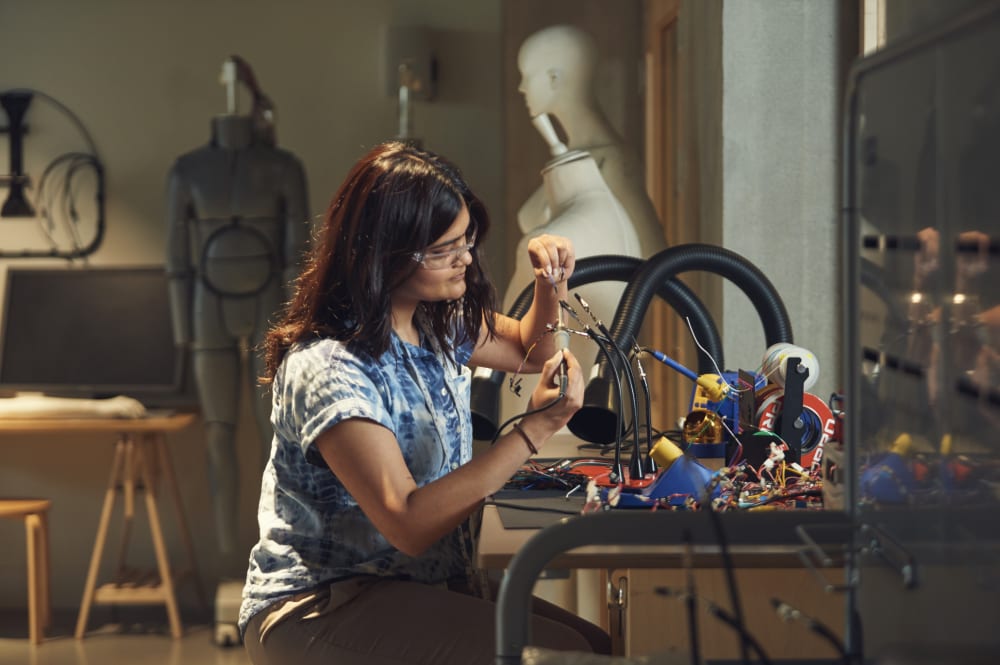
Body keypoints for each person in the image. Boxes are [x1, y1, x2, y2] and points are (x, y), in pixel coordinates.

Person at [239, 140, 611, 664]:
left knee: (596, 646)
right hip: (324, 602)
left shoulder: (435, 322)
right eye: (443, 250)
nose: (464, 260)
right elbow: (409, 523)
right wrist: (535, 429)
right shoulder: (330, 367)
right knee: (565, 654)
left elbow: (531, 350)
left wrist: (550, 284)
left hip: (420, 585)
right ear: (381, 254)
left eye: (466, 241)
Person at [165, 57, 310, 574]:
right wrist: (183, 337)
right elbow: (176, 261)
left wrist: (298, 330)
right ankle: (230, 554)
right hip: (208, 306)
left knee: (274, 430)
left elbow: (299, 257)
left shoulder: (283, 167)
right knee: (218, 432)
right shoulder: (186, 171)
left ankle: (271, 547)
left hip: (267, 302)